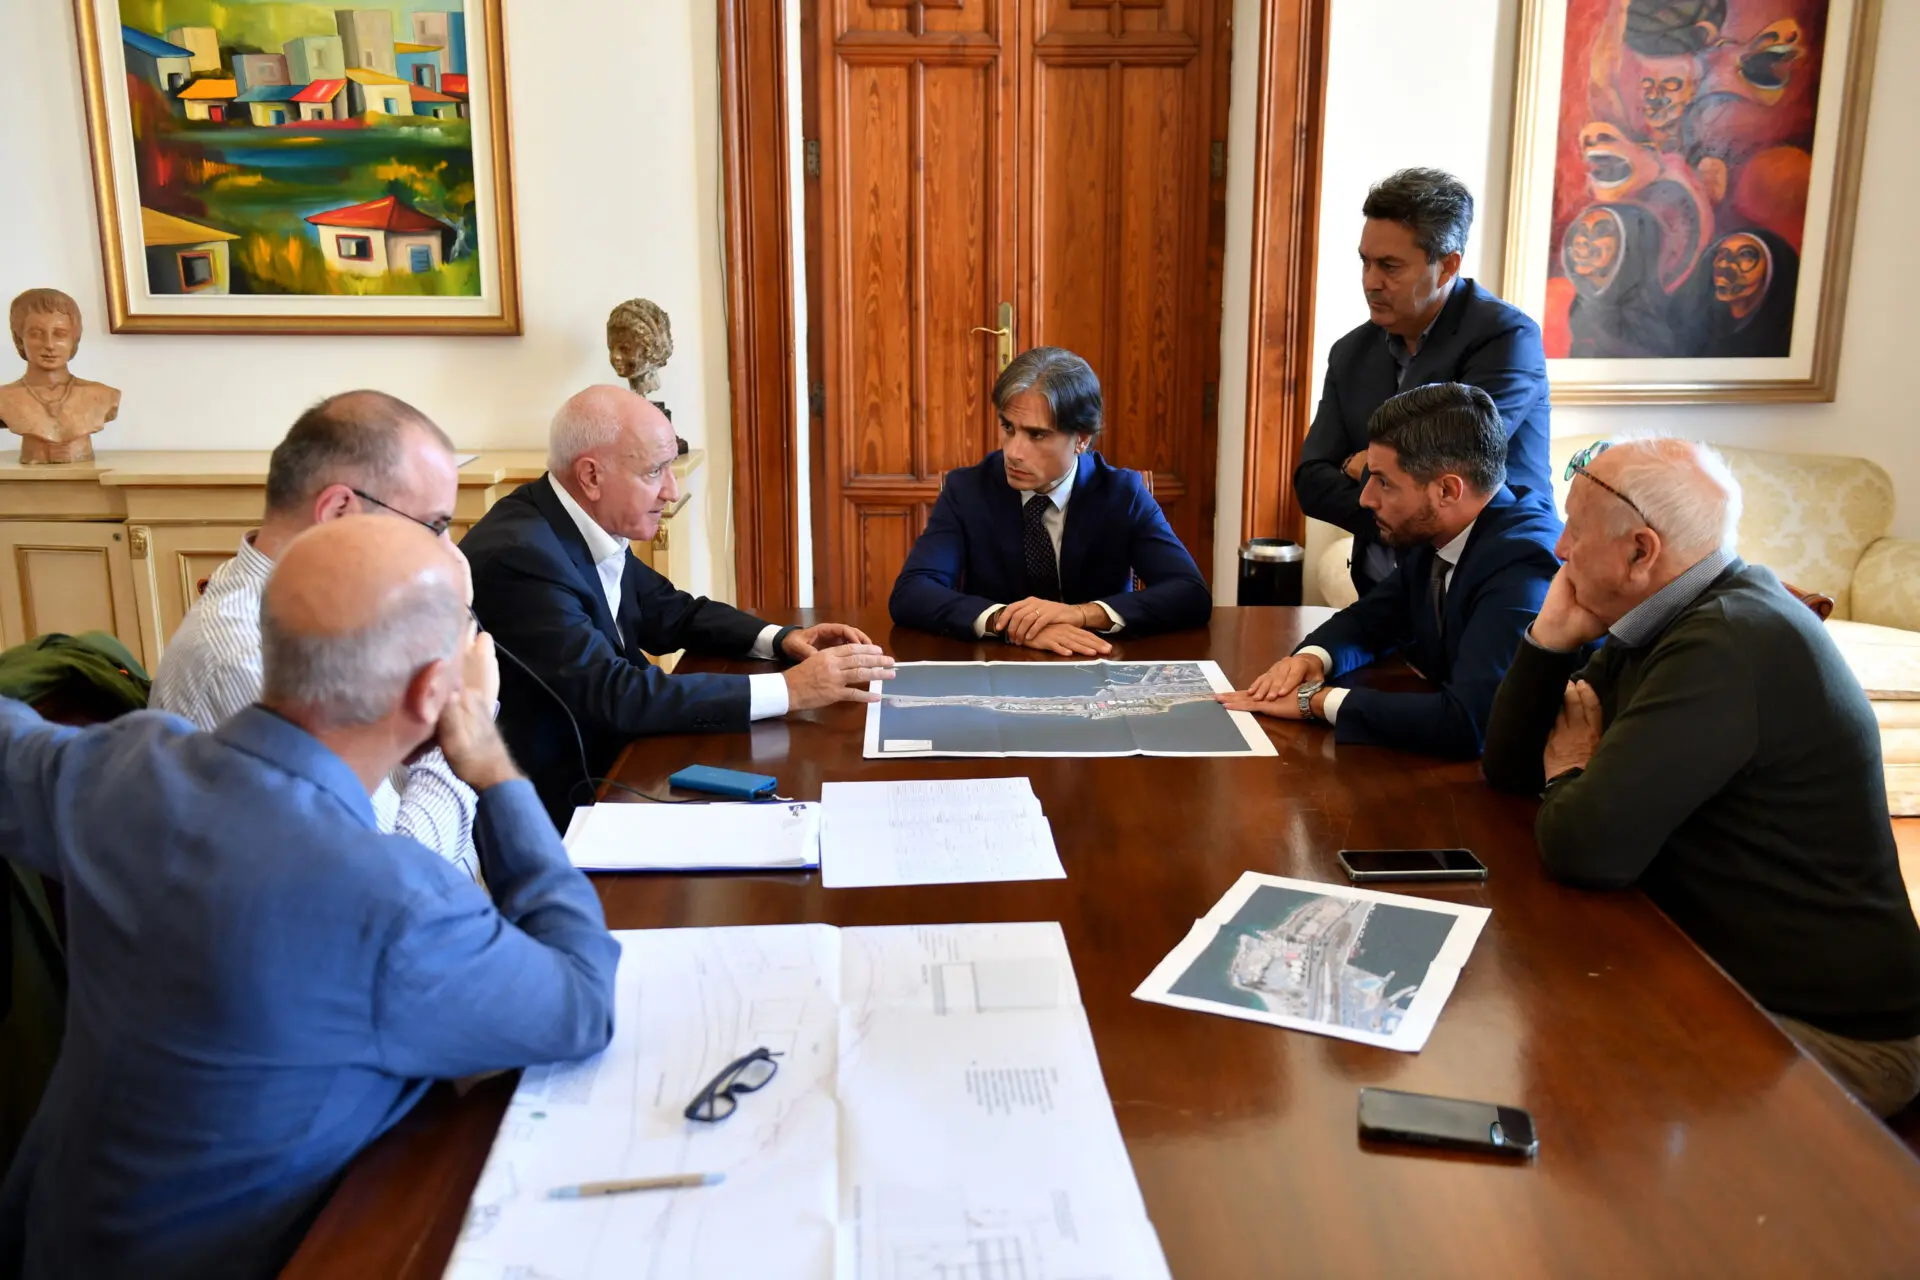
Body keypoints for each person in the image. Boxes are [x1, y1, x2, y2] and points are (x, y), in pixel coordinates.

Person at [0, 516, 619, 1279]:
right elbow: (583, 1001)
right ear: (434, 692)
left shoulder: (127, 765)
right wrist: (489, 765)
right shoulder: (397, 900)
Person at [1481, 437, 1920, 1117]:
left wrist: (1569, 768)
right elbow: (1510, 771)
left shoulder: (1727, 641)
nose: (1560, 549)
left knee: (1557, 1085)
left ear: (1641, 551)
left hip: (1838, 1037)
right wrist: (1549, 642)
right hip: (1725, 979)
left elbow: (1585, 848)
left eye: (1575, 530)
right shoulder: (1667, 616)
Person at [460, 385, 893, 826]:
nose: (671, 490)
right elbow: (614, 694)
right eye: (655, 471)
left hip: (620, 764)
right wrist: (789, 690)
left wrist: (782, 638)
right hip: (561, 807)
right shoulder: (522, 557)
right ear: (590, 476)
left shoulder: (576, 519)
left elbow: (669, 611)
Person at [151, 390, 481, 881]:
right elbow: (394, 876)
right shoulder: (247, 657)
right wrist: (463, 715)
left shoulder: (344, 605)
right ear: (340, 510)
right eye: (433, 525)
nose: (448, 555)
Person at [1221, 383, 1560, 757]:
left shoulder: (1523, 564)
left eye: (1383, 482)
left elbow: (1471, 722)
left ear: (1447, 491)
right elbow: (1372, 619)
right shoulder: (1438, 529)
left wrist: (1315, 701)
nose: (1366, 498)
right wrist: (1311, 658)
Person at [1294, 169, 1552, 596]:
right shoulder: (1351, 352)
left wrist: (1362, 467)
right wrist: (1398, 492)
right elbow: (1311, 482)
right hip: (1384, 590)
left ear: (1447, 266)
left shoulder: (1506, 338)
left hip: (1487, 580)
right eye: (1365, 262)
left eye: (1390, 266)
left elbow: (1451, 466)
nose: (1370, 282)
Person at [889, 346, 1210, 652]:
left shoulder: (1121, 493)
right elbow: (911, 592)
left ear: (1081, 439)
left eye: (1037, 434)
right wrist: (1012, 623)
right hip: (997, 665)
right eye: (1008, 428)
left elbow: (1189, 593)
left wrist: (1080, 614)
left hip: (1097, 660)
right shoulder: (968, 490)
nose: (1013, 452)